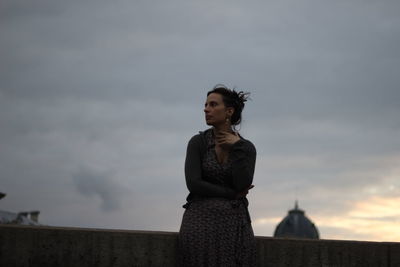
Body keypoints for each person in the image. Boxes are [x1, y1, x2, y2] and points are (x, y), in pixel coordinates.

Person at [178, 84, 257, 267]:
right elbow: (193, 183)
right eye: (205, 105)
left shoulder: (246, 148)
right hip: (199, 224)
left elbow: (242, 184)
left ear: (229, 111)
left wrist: (237, 148)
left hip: (234, 226)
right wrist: (231, 195)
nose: (206, 109)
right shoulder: (198, 143)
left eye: (213, 105)